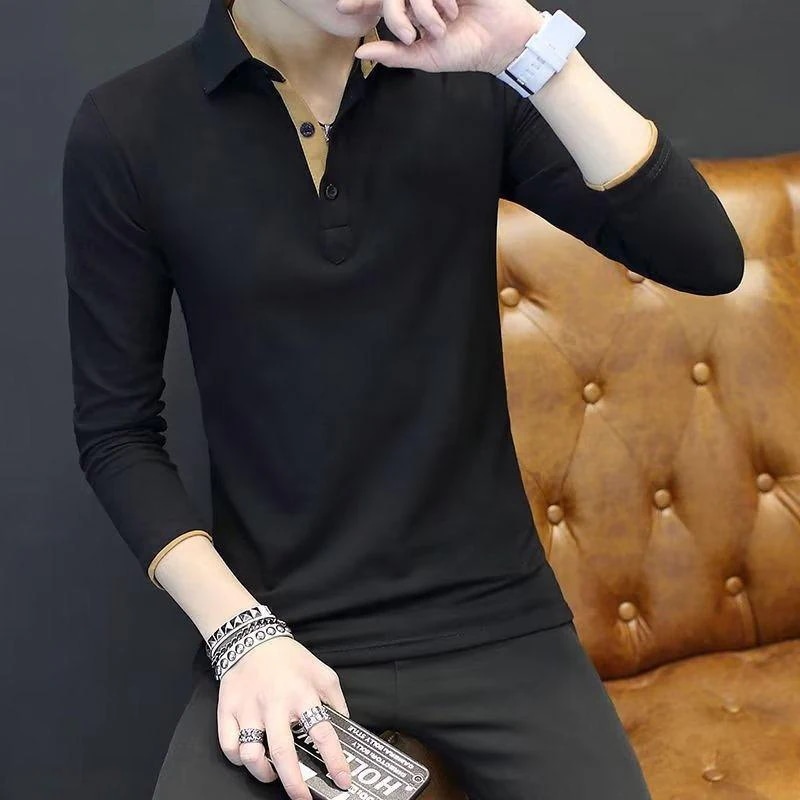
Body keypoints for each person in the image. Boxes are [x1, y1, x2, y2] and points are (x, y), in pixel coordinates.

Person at [61, 0, 744, 797]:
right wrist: (239, 633)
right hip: (279, 627)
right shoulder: (130, 127)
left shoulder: (470, 83)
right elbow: (118, 433)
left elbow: (705, 257)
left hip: (498, 619)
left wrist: (532, 50)